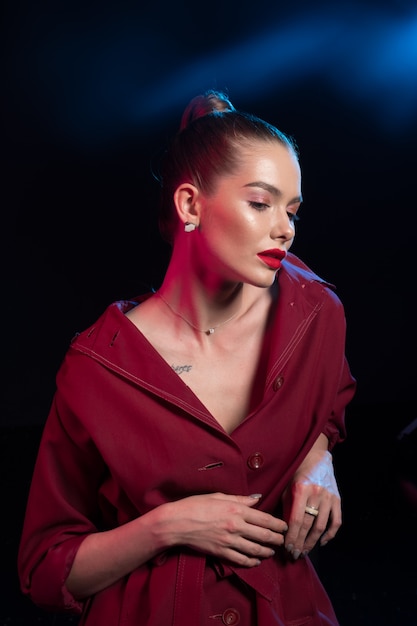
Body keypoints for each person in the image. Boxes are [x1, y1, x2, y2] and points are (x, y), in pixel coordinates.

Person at [18, 89, 356, 625]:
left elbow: (329, 394)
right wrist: (168, 526)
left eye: (292, 210)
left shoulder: (315, 314)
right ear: (191, 205)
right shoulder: (97, 368)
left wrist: (318, 453)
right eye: (260, 203)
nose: (285, 229)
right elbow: (45, 568)